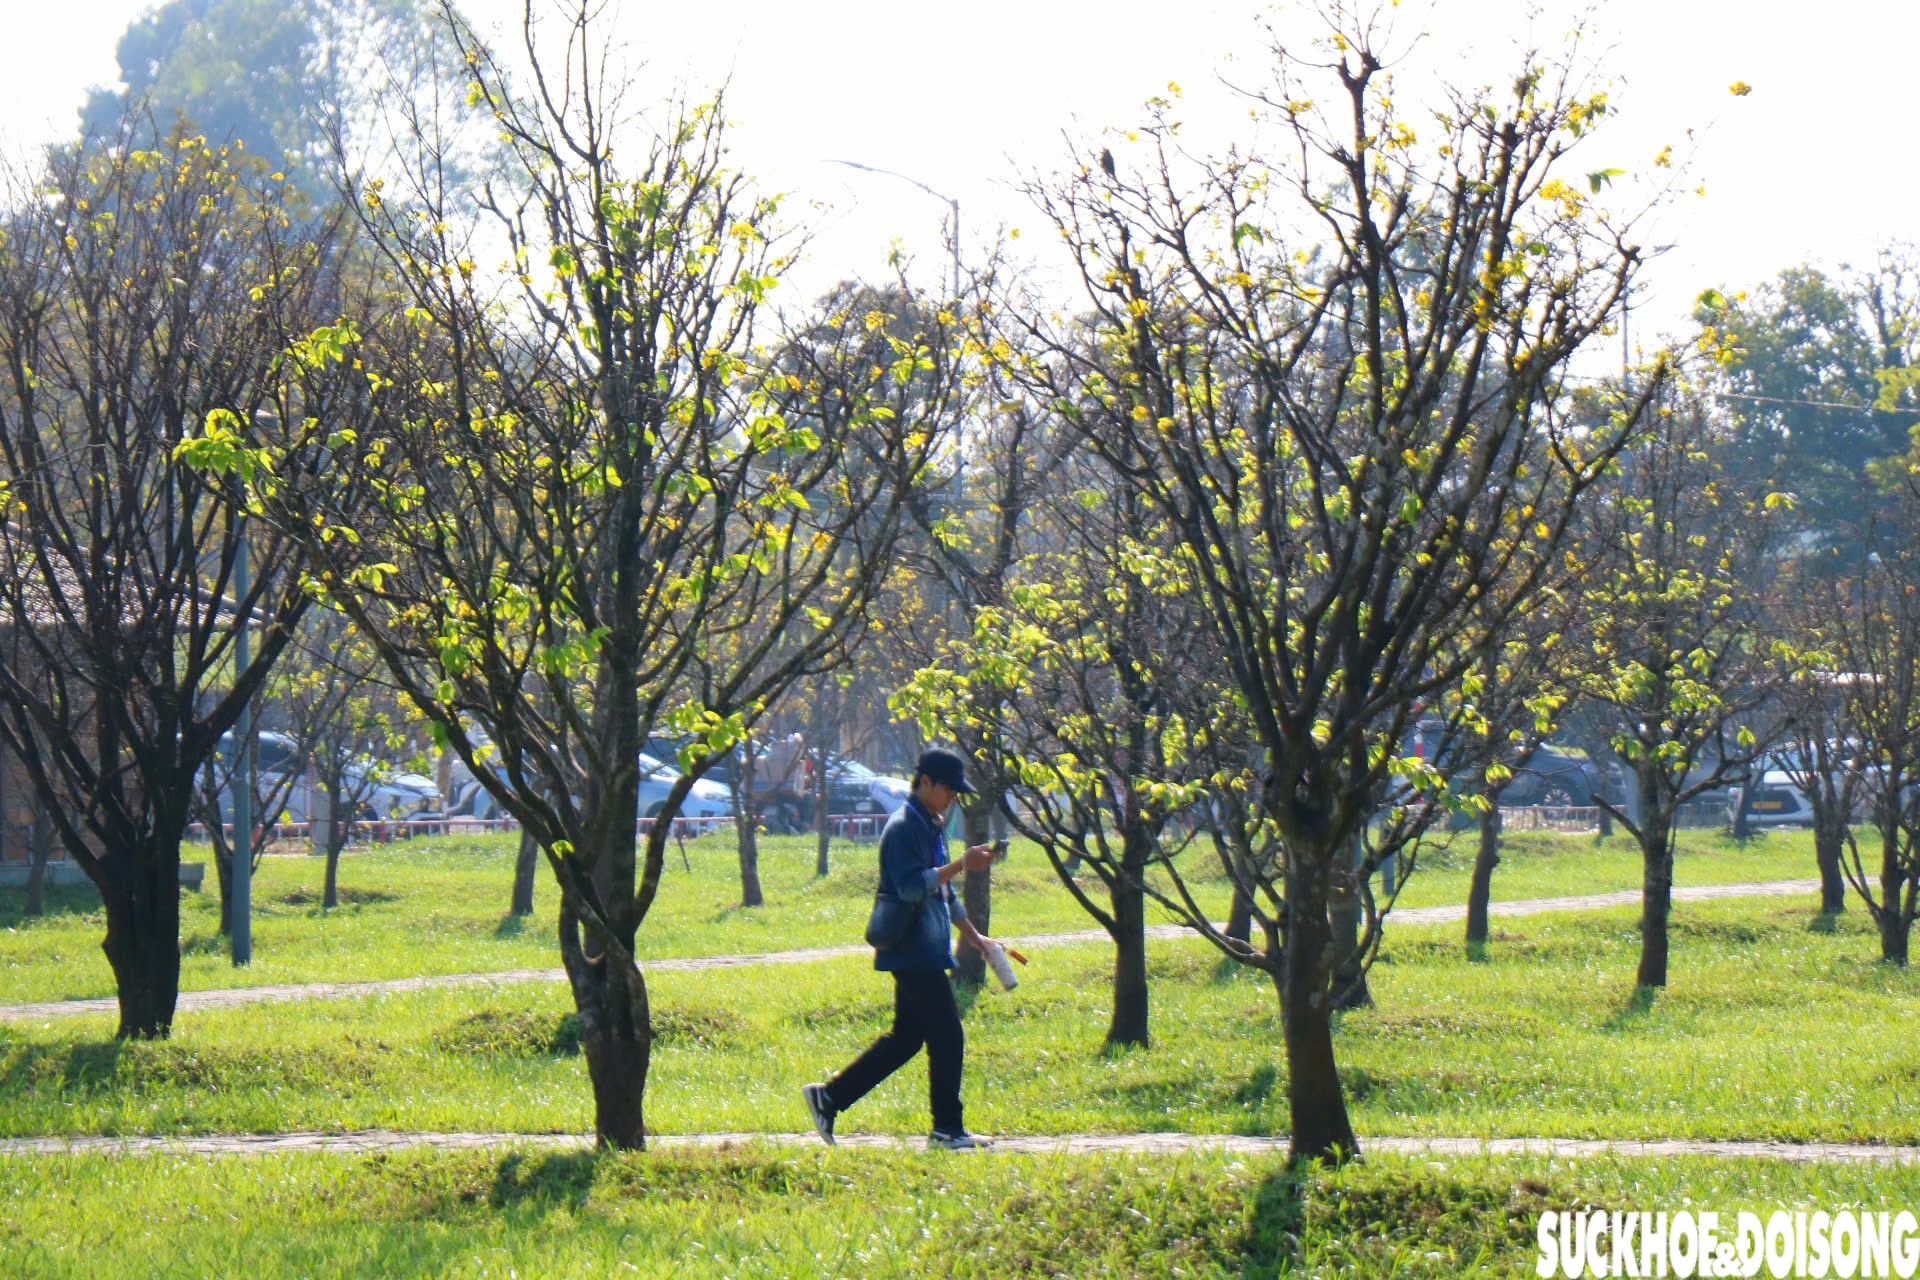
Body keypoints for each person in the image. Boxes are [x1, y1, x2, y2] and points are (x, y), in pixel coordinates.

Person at [802, 746, 1001, 1151]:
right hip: (910, 948)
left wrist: (974, 937)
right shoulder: (903, 827)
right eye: (948, 789)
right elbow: (911, 886)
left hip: (925, 947)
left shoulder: (931, 824)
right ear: (925, 781)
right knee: (948, 1034)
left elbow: (943, 891)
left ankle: (829, 1098)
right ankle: (947, 1129)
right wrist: (961, 864)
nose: (953, 798)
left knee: (907, 1039)